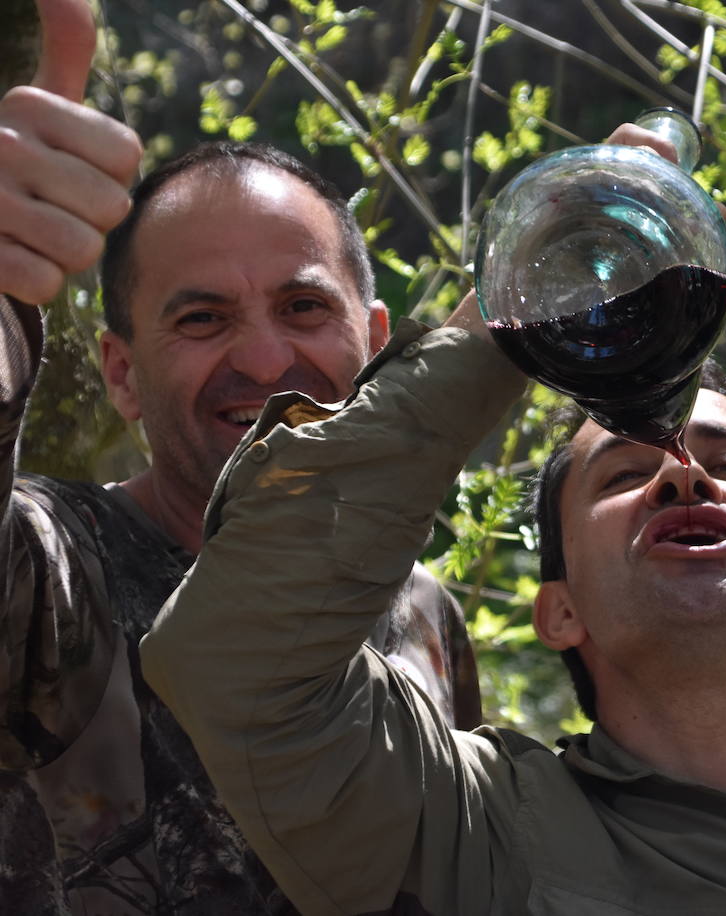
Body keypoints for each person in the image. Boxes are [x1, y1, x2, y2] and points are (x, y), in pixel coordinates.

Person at [138, 258, 726, 909]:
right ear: (558, 611)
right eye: (623, 473)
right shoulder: (473, 831)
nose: (684, 474)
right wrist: (515, 308)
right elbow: (233, 659)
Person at [1, 0, 480, 911]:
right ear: (122, 374)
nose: (265, 361)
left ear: (375, 342)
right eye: (201, 318)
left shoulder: (423, 613)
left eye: (304, 308)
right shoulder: (54, 568)